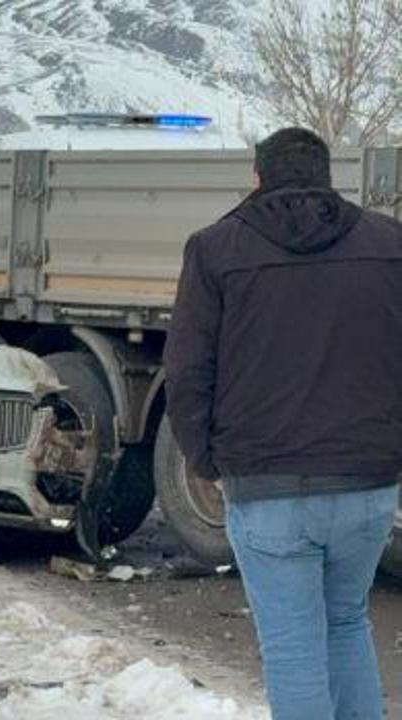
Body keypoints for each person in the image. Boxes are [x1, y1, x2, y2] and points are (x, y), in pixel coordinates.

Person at [165, 127, 402, 720]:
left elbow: (188, 369)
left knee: (294, 650)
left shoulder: (215, 249)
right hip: (368, 485)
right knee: (346, 622)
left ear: (258, 177)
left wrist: (204, 459)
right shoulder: (389, 243)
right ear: (327, 177)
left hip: (268, 488)